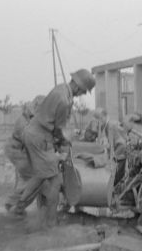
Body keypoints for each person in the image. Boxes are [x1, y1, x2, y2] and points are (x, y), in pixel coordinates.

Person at [9, 68, 96, 226]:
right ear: (78, 85)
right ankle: (50, 222)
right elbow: (58, 130)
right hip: (39, 138)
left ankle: (18, 207)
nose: (82, 94)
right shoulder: (64, 100)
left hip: (35, 135)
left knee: (42, 175)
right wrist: (65, 143)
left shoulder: (61, 89)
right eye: (84, 91)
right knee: (55, 180)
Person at [3, 94, 45, 212]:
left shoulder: (30, 119)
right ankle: (13, 204)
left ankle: (16, 206)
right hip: (16, 151)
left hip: (21, 152)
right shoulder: (23, 122)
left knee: (23, 179)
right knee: (35, 177)